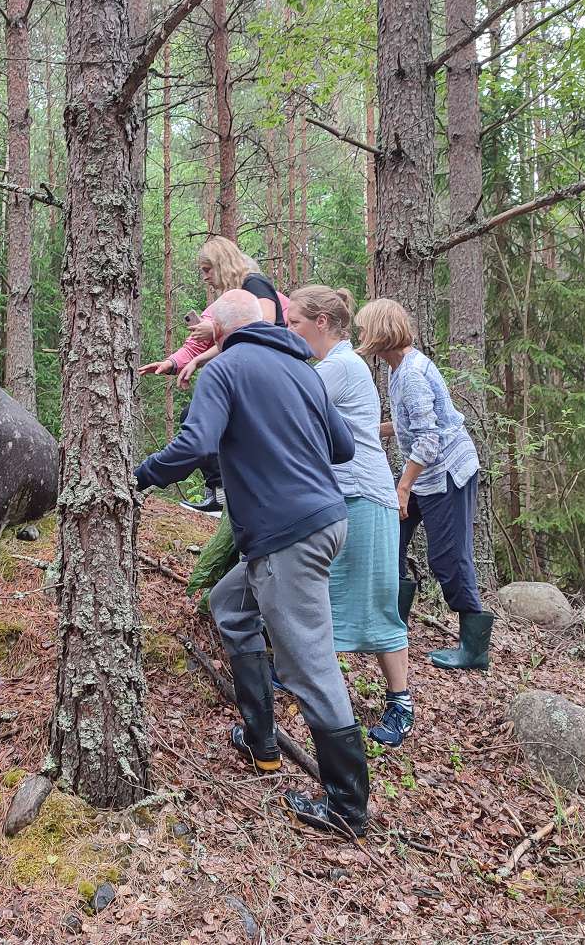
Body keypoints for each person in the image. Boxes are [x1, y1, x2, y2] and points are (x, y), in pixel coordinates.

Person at [136, 290, 370, 843]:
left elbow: (194, 444)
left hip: (287, 537)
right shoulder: (303, 370)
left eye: (204, 324)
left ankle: (347, 807)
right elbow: (342, 446)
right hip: (324, 523)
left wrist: (141, 476)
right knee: (230, 605)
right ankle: (262, 742)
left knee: (309, 664)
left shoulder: (226, 369)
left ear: (217, 327)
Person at [288, 285, 413, 747]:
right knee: (330, 595)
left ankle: (401, 702)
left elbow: (290, 403)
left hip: (365, 496)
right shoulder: (335, 365)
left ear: (322, 322)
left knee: (377, 601)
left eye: (295, 323)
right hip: (343, 499)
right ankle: (317, 683)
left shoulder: (340, 365)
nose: (290, 331)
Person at [356, 298, 494, 671]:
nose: (360, 335)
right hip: (424, 471)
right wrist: (369, 429)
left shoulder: (413, 373)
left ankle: (474, 650)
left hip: (446, 472)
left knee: (448, 557)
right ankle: (392, 625)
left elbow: (429, 440)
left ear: (381, 333)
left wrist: (403, 487)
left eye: (365, 329)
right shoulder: (396, 368)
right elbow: (411, 423)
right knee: (391, 536)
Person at [139, 238, 290, 516]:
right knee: (195, 417)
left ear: (222, 264)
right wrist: (191, 361)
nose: (205, 276)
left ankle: (226, 494)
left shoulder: (254, 284)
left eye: (208, 269)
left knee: (202, 421)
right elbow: (231, 340)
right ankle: (222, 494)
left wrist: (215, 328)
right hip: (253, 371)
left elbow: (264, 327)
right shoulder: (233, 294)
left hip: (265, 374)